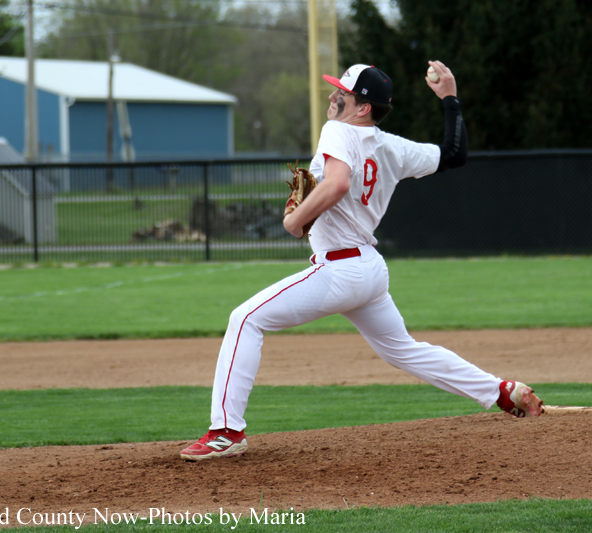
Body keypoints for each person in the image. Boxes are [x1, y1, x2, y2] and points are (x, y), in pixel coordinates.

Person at [180, 61, 544, 461]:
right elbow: (454, 154)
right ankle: (501, 392)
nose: (334, 97)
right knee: (402, 349)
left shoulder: (337, 130)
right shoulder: (393, 147)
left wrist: (295, 222)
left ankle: (226, 432)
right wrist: (450, 99)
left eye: (343, 93)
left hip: (340, 269)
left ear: (363, 108)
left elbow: (337, 183)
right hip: (369, 270)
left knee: (246, 319)